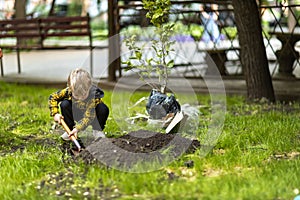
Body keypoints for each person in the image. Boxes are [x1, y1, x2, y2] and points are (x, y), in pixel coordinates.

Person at [48, 68, 109, 149]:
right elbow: (53, 97)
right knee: (64, 104)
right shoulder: (68, 91)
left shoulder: (94, 96)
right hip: (77, 113)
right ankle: (69, 130)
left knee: (103, 108)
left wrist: (78, 128)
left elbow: (89, 117)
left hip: (93, 116)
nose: (80, 98)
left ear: (89, 87)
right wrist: (55, 113)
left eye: (83, 95)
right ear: (70, 88)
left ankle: (97, 131)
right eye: (76, 95)